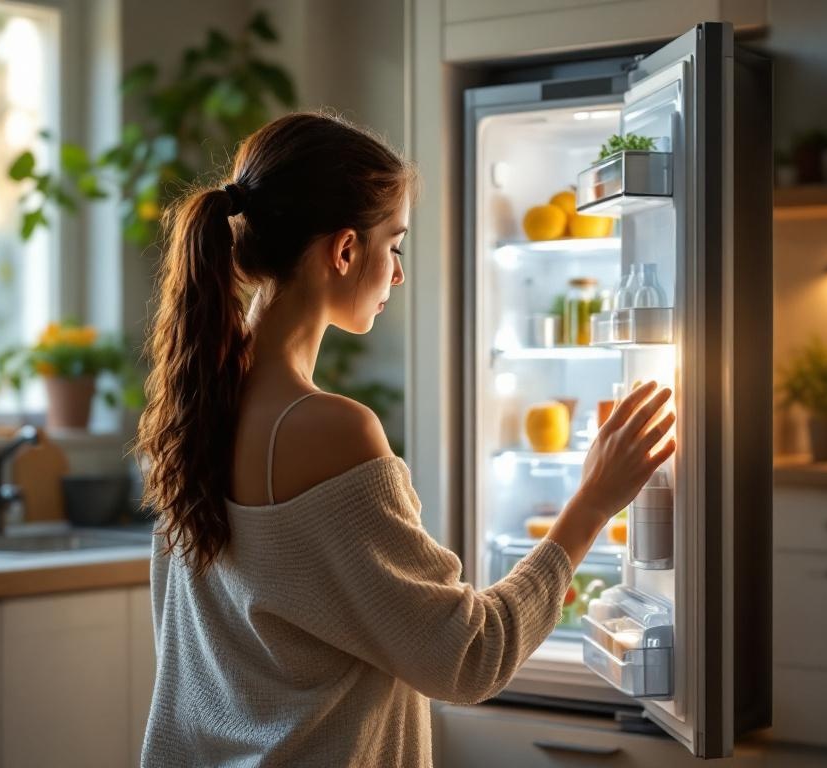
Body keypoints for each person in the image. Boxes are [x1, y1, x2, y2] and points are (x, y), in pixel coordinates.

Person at [134, 111, 676, 767]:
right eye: (394, 244)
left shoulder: (193, 402)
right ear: (343, 250)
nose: (396, 273)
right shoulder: (327, 429)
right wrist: (593, 500)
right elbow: (468, 658)